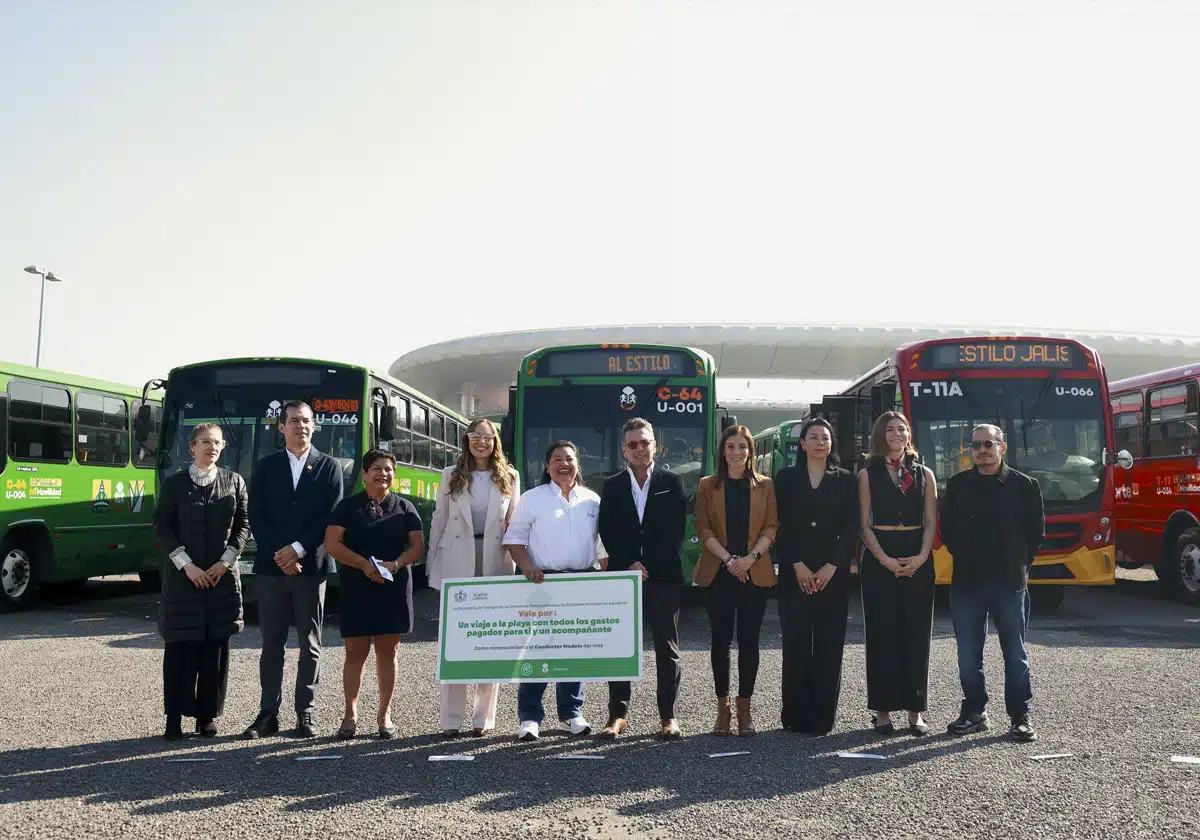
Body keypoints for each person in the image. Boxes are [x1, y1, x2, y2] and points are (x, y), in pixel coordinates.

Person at [244, 401, 345, 739]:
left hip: (310, 567)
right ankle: (268, 714)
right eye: (293, 421)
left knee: (310, 642)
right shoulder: (267, 466)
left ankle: (306, 712)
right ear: (281, 427)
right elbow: (256, 513)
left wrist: (299, 549)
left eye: (306, 421)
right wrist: (280, 553)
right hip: (272, 568)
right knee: (271, 643)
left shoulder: (329, 467)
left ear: (314, 427)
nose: (300, 426)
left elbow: (329, 515)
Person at [941, 424, 1044, 742]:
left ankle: (1020, 717)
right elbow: (948, 532)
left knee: (1016, 654)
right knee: (968, 654)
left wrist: (1019, 565)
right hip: (967, 584)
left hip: (1010, 584)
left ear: (1003, 447)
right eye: (975, 445)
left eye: (988, 444)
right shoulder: (957, 486)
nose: (981, 450)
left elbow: (1035, 535)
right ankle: (974, 711)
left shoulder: (1026, 486)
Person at [502, 440, 606, 742]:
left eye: (570, 459)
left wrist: (607, 583)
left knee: (573, 649)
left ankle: (571, 714)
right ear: (547, 467)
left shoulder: (592, 500)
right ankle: (530, 716)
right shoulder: (532, 498)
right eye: (557, 459)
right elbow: (514, 539)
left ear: (578, 464)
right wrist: (527, 566)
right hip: (543, 582)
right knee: (538, 648)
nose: (564, 464)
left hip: (581, 583)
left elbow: (602, 547)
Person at [153, 423, 249, 740]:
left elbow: (242, 527)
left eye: (218, 442)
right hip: (184, 581)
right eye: (205, 442)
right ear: (192, 446)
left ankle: (206, 717)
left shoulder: (234, 482)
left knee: (215, 651)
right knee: (180, 649)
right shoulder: (175, 484)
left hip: (220, 580)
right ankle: (174, 719)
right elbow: (162, 529)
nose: (212, 447)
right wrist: (187, 566)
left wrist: (225, 563)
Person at [428, 418, 520, 737]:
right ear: (466, 441)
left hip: (495, 560)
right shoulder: (450, 476)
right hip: (456, 560)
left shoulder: (509, 476)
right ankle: (452, 718)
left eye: (487, 436)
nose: (481, 441)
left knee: (489, 640)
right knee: (455, 642)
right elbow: (438, 521)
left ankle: (483, 718)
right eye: (475, 436)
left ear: (495, 441)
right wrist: (432, 564)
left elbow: (515, 523)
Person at [324, 449, 424, 740]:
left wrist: (394, 564)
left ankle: (384, 714)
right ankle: (350, 714)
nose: (383, 473)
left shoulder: (405, 508)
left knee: (388, 651)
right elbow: (332, 543)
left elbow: (417, 546)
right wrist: (363, 565)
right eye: (376, 469)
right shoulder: (347, 507)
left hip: (393, 587)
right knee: (355, 652)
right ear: (365, 474)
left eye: (389, 469)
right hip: (357, 585)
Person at [598, 418, 688, 740]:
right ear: (624, 449)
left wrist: (646, 563)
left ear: (655, 445)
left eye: (644, 442)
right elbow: (607, 529)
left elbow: (675, 530)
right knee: (621, 646)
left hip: (662, 575)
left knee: (667, 648)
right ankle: (617, 715)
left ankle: (668, 716)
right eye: (633, 444)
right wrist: (628, 562)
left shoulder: (672, 481)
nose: (639, 448)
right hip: (624, 577)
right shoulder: (612, 485)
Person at [693, 424, 778, 736]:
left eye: (742, 446)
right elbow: (703, 529)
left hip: (754, 572)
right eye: (731, 446)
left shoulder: (765, 485)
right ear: (722, 451)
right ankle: (722, 709)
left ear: (751, 451)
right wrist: (730, 560)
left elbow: (771, 527)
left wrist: (749, 559)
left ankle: (745, 709)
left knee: (750, 642)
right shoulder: (707, 485)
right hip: (720, 573)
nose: (737, 452)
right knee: (720, 642)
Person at [774, 417, 858, 735]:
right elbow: (779, 524)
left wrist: (832, 566)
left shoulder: (846, 480)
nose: (821, 442)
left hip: (831, 576)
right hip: (795, 576)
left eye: (826, 438)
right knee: (795, 646)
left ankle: (822, 719)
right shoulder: (785, 478)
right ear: (803, 444)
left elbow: (851, 527)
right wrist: (795, 564)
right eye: (814, 437)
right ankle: (794, 716)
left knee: (828, 647)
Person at [857, 411, 938, 736]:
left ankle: (915, 711)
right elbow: (863, 524)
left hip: (918, 551)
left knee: (917, 635)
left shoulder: (925, 473)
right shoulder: (867, 474)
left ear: (909, 435)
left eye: (902, 428)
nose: (897, 433)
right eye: (890, 429)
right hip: (880, 553)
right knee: (882, 635)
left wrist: (920, 556)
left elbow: (931, 521)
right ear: (881, 435)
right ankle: (882, 710)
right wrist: (885, 560)